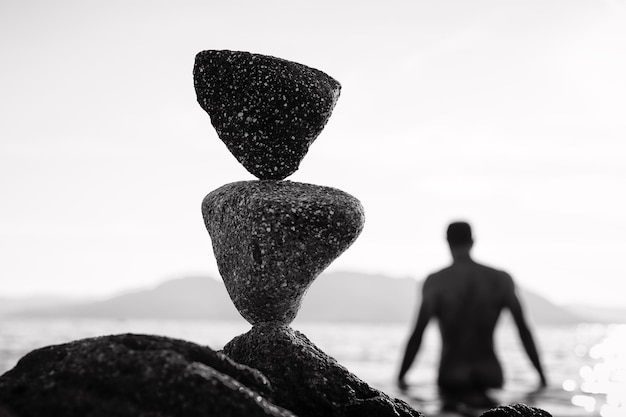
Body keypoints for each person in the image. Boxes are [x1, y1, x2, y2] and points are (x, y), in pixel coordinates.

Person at [397, 221, 547, 412]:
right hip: (491, 375)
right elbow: (523, 330)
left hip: (452, 375)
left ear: (447, 242)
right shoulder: (500, 279)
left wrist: (399, 382)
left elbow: (417, 335)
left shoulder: (436, 282)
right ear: (473, 241)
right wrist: (542, 378)